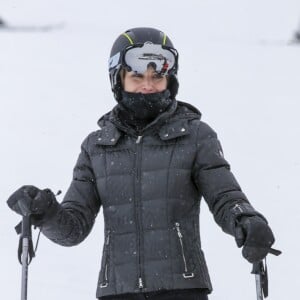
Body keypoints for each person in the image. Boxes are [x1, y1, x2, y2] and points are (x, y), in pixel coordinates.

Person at [7, 27, 275, 300]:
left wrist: (246, 220)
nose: (148, 84)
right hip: (117, 292)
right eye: (137, 76)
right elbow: (74, 229)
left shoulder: (196, 136)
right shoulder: (96, 147)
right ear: (117, 79)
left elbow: (225, 197)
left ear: (170, 80)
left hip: (182, 290)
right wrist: (47, 212)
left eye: (157, 76)